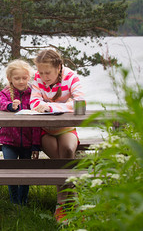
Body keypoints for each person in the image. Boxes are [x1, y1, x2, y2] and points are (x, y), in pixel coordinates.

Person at [29, 49, 85, 222]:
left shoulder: (71, 77)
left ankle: (62, 204)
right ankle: (70, 202)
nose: (44, 76)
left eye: (48, 73)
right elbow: (34, 102)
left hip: (67, 128)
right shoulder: (38, 79)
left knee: (67, 149)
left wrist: (52, 106)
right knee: (60, 161)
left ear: (59, 67)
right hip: (46, 131)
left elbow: (81, 105)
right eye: (41, 72)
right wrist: (64, 104)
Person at [0, 59, 42, 205]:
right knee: (10, 170)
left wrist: (36, 145)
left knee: (26, 172)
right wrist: (10, 106)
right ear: (10, 78)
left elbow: (37, 124)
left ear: (29, 77)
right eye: (17, 78)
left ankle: (24, 201)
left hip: (28, 142)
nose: (21, 81)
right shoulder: (6, 93)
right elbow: (0, 103)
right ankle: (13, 201)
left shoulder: (34, 94)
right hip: (9, 140)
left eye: (24, 78)